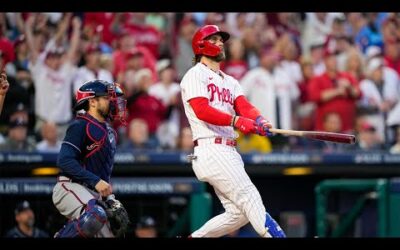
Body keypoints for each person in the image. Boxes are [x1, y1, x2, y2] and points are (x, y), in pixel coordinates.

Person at [180, 25, 286, 238]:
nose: (221, 43)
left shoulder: (230, 81)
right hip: (211, 146)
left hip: (228, 150)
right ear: (201, 45)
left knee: (239, 214)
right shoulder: (195, 75)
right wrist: (237, 121)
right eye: (215, 40)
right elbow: (202, 110)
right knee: (250, 198)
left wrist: (259, 120)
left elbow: (244, 105)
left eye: (221, 40)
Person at [51, 80, 129, 238]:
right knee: (95, 215)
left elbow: (103, 174)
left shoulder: (111, 132)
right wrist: (95, 181)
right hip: (69, 186)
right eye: (108, 98)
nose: (114, 103)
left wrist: (109, 198)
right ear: (92, 102)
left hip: (94, 193)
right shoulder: (80, 125)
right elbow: (64, 161)